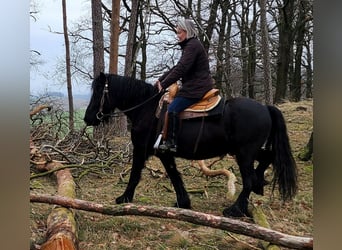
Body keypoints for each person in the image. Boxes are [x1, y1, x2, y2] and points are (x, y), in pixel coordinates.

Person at [155, 18, 214, 152]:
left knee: (173, 108)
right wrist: (160, 80)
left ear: (187, 32)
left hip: (197, 87)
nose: (177, 35)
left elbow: (181, 68)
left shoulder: (192, 46)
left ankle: (172, 143)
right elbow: (178, 67)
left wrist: (164, 84)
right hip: (195, 85)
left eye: (179, 32)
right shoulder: (191, 46)